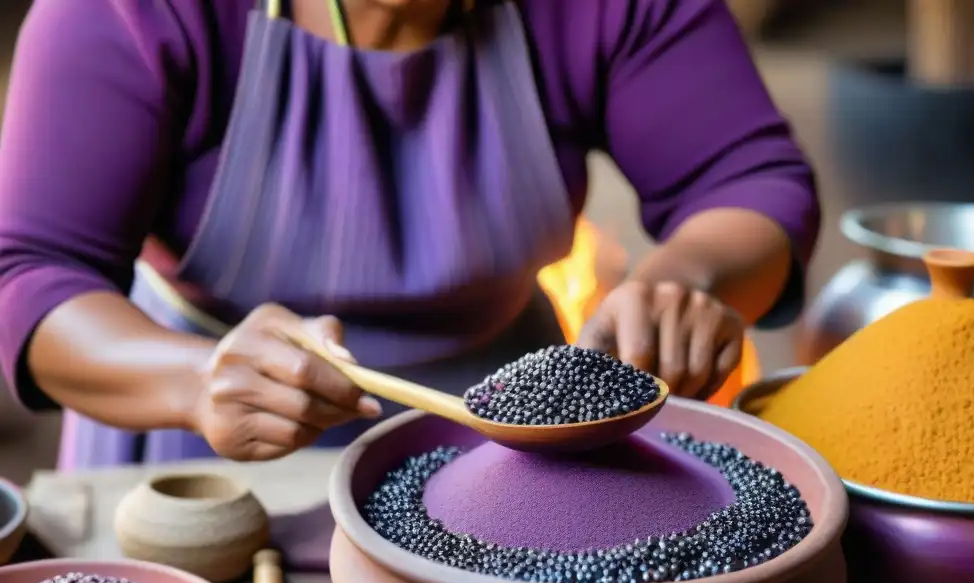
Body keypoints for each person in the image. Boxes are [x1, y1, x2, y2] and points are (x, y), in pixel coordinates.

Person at [0, 0, 818, 471]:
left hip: (506, 441)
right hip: (196, 450)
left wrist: (691, 279)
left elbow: (747, 179)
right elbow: (30, 271)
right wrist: (191, 380)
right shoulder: (131, 10)